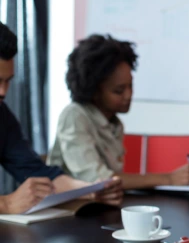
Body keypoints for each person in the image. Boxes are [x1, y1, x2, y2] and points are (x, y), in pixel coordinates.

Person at [47, 34, 189, 189]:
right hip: (68, 209)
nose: (128, 95)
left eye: (131, 86)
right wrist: (168, 178)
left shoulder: (115, 123)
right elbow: (99, 180)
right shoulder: (74, 116)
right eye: (119, 90)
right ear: (95, 92)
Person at [0, 22, 122, 214]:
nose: (3, 91)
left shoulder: (3, 117)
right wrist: (6, 204)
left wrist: (89, 191)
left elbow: (43, 176)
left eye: (7, 81)